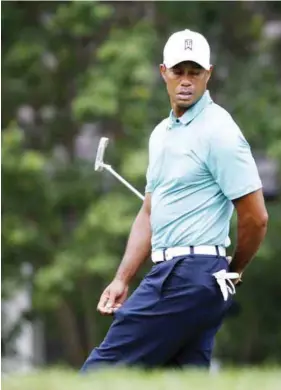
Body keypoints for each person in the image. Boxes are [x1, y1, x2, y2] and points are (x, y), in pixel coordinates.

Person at [80, 29, 268, 371]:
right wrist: (123, 278)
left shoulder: (219, 131)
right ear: (163, 72)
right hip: (180, 273)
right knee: (180, 379)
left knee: (101, 372)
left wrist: (234, 269)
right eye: (178, 71)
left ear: (208, 74)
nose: (186, 81)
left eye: (194, 72)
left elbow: (256, 217)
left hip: (190, 274)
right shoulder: (161, 134)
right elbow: (149, 211)